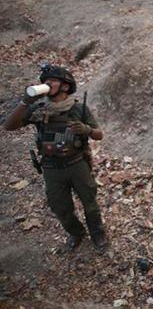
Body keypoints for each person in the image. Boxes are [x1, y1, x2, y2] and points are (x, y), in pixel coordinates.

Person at [3, 64, 107, 250]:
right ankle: (76, 232)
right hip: (52, 168)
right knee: (61, 208)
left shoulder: (78, 109)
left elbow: (99, 134)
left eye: (52, 81)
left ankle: (97, 233)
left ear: (65, 86)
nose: (47, 84)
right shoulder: (39, 109)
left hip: (77, 164)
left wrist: (87, 130)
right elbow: (9, 126)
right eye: (45, 82)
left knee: (90, 202)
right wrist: (25, 102)